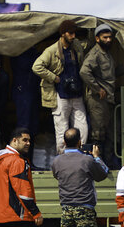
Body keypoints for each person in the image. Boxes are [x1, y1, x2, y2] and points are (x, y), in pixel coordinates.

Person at [51, 128, 108, 227]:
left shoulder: (56, 161)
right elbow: (102, 174)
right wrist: (96, 157)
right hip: (85, 208)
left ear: (64, 142)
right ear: (80, 142)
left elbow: (57, 176)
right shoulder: (87, 160)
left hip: (66, 208)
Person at [33, 20, 87, 153]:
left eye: (74, 33)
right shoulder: (51, 50)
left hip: (77, 93)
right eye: (70, 33)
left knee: (83, 128)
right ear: (63, 34)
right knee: (62, 130)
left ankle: (80, 154)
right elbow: (36, 66)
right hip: (60, 95)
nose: (73, 36)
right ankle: (63, 158)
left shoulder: (77, 46)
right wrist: (54, 78)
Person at [80, 24, 124, 165]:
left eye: (110, 37)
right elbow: (84, 72)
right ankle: (98, 165)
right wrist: (97, 88)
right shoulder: (95, 54)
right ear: (97, 38)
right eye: (104, 37)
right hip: (97, 100)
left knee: (109, 134)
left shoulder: (107, 54)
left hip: (108, 99)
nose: (108, 40)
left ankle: (108, 164)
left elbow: (109, 75)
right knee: (98, 135)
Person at [9, 46, 41, 136]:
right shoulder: (19, 54)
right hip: (23, 90)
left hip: (31, 89)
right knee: (24, 124)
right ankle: (23, 148)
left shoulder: (32, 53)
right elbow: (25, 65)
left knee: (33, 123)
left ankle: (28, 148)